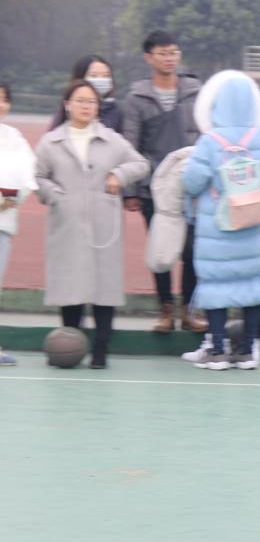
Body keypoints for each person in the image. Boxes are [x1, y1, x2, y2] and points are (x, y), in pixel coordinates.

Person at [34, 80, 149, 369]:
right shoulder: (51, 142)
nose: (86, 106)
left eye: (92, 101)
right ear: (67, 105)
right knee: (70, 285)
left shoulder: (112, 140)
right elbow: (38, 177)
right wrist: (55, 196)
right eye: (81, 100)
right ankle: (70, 344)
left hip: (103, 224)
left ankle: (100, 349)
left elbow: (140, 164)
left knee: (104, 287)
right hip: (67, 222)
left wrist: (119, 176)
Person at [182, 70, 260, 371]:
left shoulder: (210, 141)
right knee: (254, 284)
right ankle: (248, 349)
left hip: (218, 228)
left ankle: (218, 349)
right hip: (255, 225)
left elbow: (192, 182)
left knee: (216, 286)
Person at [122, 30, 205, 333]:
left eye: (173, 52)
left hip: (192, 186)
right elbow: (130, 146)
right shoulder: (137, 99)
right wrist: (131, 190)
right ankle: (165, 311)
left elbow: (207, 134)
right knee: (161, 249)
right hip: (153, 189)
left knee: (193, 251)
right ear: (148, 57)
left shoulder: (195, 92)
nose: (169, 58)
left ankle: (189, 311)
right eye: (162, 53)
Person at [0, 80, 39, 366]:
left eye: (3, 98)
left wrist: (11, 198)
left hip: (3, 222)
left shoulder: (14, 138)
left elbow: (28, 175)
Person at [49, 55, 122, 132]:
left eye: (106, 76)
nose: (101, 80)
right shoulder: (70, 108)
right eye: (94, 76)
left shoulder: (116, 111)